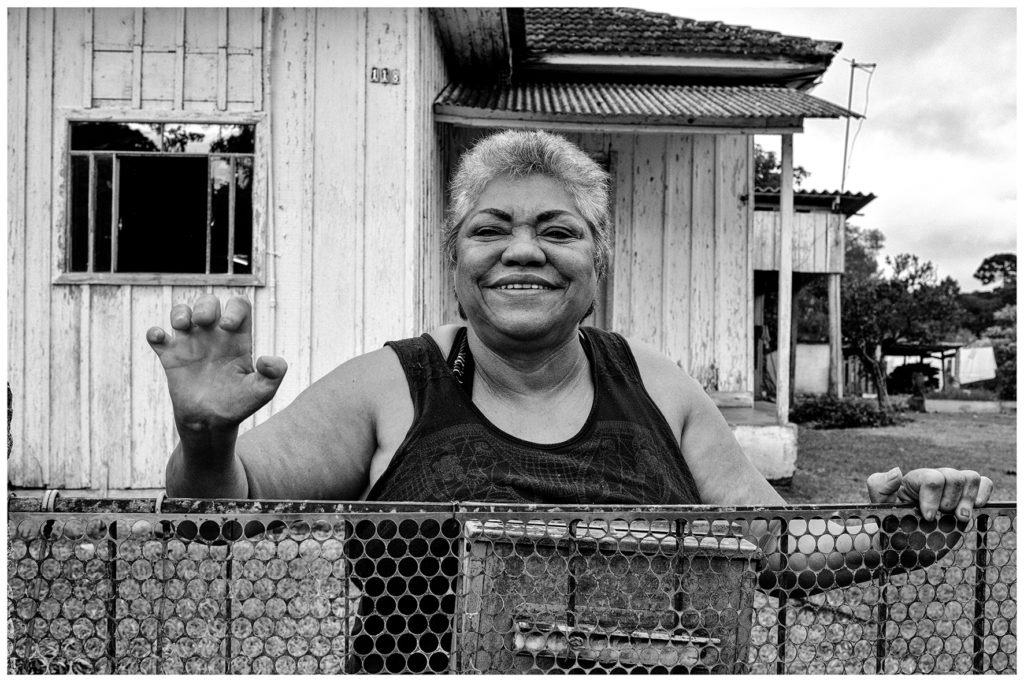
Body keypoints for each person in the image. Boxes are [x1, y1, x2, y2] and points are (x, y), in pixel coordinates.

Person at [147, 129, 991, 667]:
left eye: (557, 230)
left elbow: (773, 543)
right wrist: (206, 434)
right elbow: (211, 518)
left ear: (597, 261)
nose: (524, 251)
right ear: (455, 261)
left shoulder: (654, 383)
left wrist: (897, 535)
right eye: (490, 229)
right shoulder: (389, 385)